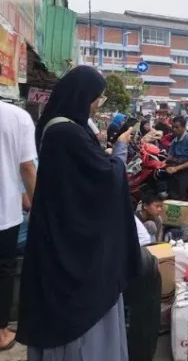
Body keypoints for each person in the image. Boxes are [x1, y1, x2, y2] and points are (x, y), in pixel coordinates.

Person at [16, 65, 142, 361]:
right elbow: (106, 180)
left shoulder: (58, 128)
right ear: (82, 96)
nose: (98, 105)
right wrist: (120, 150)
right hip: (76, 248)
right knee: (81, 311)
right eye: (96, 98)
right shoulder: (66, 133)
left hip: (60, 232)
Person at [0, 101, 37, 351]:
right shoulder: (17, 117)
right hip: (4, 214)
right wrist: (37, 205)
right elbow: (27, 167)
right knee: (3, 271)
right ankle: (1, 332)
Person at [166, 116, 188, 199]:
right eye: (173, 127)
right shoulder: (175, 141)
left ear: (184, 127)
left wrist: (176, 168)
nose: (174, 129)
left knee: (181, 195)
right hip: (177, 167)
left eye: (177, 127)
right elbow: (169, 157)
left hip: (187, 170)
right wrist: (166, 166)